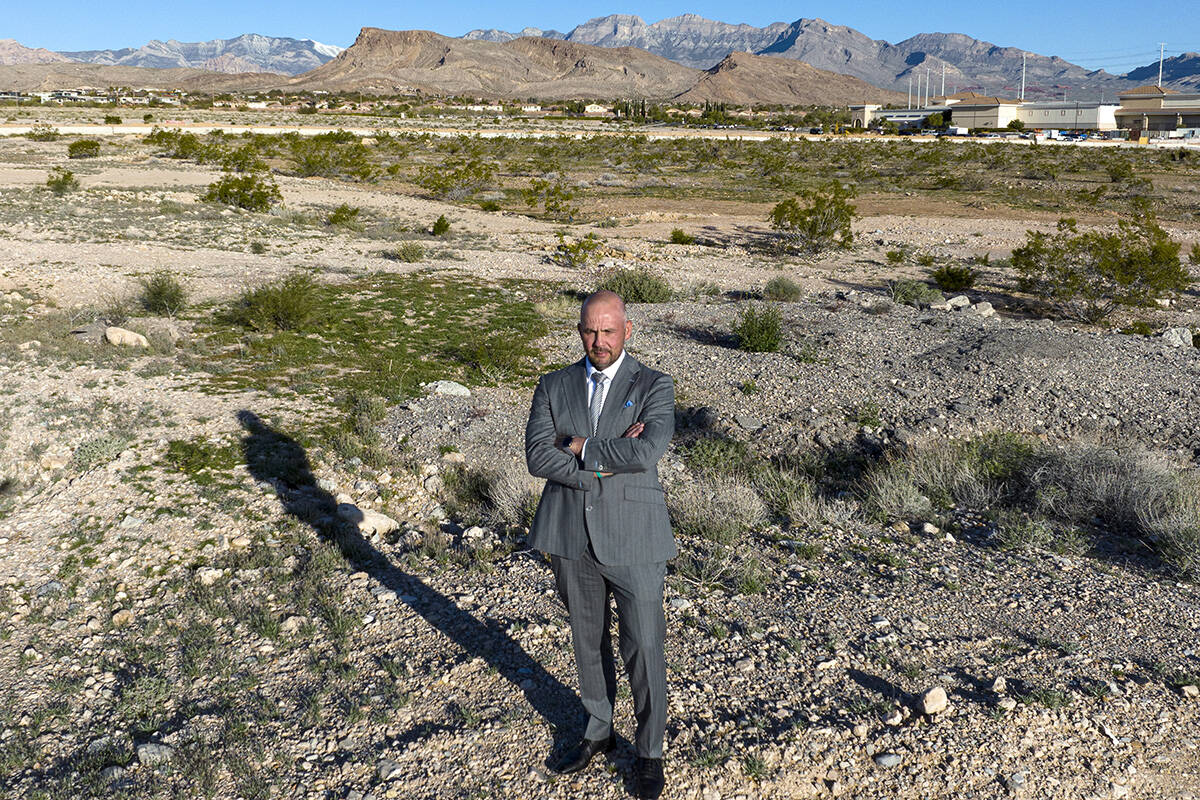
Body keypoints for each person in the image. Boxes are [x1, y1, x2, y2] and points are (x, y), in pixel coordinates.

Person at [524, 290, 676, 799]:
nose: (599, 341)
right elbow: (538, 458)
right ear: (579, 330)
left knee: (644, 645)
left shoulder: (654, 384)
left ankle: (649, 751)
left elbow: (649, 448)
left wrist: (583, 447)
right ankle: (598, 730)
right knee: (587, 641)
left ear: (627, 331)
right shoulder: (553, 385)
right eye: (591, 330)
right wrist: (607, 466)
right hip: (569, 534)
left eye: (609, 331)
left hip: (635, 536)